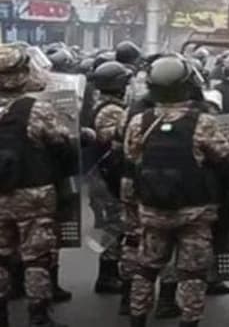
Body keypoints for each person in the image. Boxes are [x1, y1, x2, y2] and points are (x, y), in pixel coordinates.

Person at [124, 56, 229, 327]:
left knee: (146, 269)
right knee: (193, 274)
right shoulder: (203, 121)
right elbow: (226, 162)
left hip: (152, 210)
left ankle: (137, 318)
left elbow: (130, 158)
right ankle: (189, 321)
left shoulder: (140, 120)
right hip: (195, 212)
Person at [0, 45, 78, 327]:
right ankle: (38, 317)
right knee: (37, 258)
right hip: (33, 191)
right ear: (22, 73)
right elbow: (63, 144)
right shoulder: (37, 109)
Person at [90, 62, 133, 298]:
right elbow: (112, 138)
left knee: (115, 224)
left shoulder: (109, 106)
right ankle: (106, 276)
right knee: (115, 225)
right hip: (107, 175)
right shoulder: (111, 110)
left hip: (106, 173)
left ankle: (110, 272)